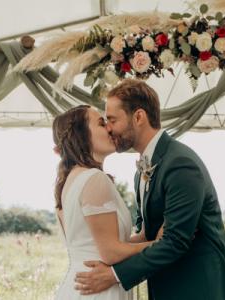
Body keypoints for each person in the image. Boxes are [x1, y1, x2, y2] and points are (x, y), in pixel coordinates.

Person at [75, 79, 225, 300]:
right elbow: (147, 233)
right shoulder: (141, 170)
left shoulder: (180, 164)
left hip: (198, 287)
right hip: (166, 285)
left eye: (113, 119)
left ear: (139, 117)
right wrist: (107, 249)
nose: (109, 128)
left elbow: (175, 241)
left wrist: (114, 275)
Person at [52, 105, 163, 299]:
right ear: (81, 135)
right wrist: (160, 243)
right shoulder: (93, 178)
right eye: (101, 123)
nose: (110, 129)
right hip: (99, 290)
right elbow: (111, 252)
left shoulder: (72, 179)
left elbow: (102, 242)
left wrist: (145, 236)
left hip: (82, 287)